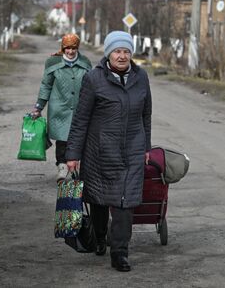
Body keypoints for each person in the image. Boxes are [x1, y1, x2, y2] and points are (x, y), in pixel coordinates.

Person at [66, 31, 152, 272]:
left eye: (126, 51)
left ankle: (120, 253)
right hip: (100, 150)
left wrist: (146, 146)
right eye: (117, 51)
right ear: (108, 54)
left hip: (133, 150)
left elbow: (146, 114)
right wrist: (72, 155)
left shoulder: (141, 77)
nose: (122, 56)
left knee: (126, 203)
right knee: (100, 200)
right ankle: (100, 236)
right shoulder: (94, 79)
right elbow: (81, 119)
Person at [31, 33, 92, 181]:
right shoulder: (53, 63)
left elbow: (93, 85)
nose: (70, 52)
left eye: (73, 48)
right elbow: (46, 85)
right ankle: (62, 167)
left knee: (79, 139)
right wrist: (39, 106)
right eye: (67, 48)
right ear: (63, 48)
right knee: (62, 139)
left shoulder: (85, 63)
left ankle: (78, 169)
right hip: (60, 109)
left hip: (80, 108)